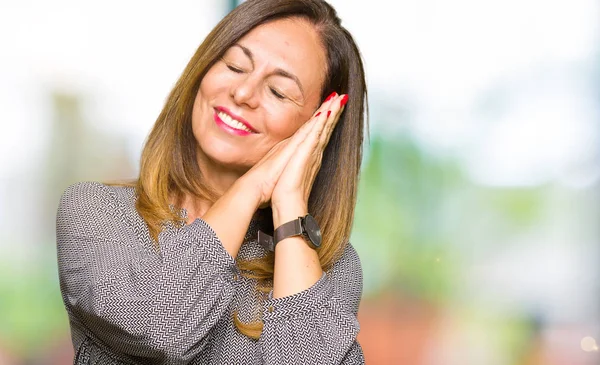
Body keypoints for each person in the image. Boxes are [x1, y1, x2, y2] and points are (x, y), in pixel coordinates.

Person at [56, 0, 368, 363]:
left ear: (316, 126)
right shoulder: (98, 212)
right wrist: (252, 187)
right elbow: (163, 327)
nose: (243, 94)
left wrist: (290, 208)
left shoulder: (331, 266)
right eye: (235, 66)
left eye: (278, 92)